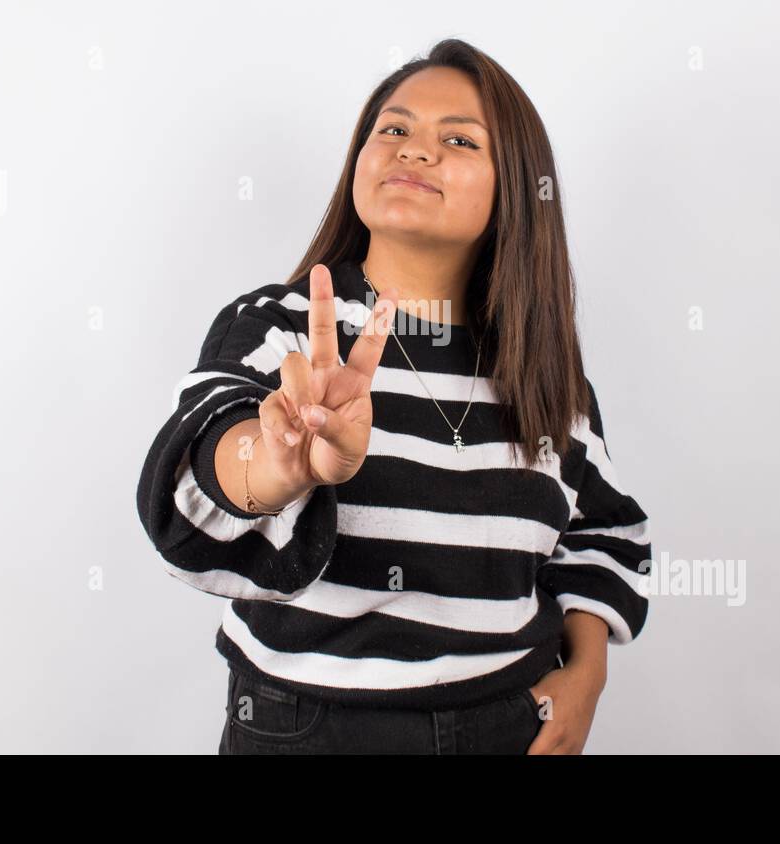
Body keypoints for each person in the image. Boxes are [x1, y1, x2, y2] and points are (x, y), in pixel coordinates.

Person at [135, 38, 652, 754]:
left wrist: (587, 673)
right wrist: (281, 466)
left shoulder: (549, 379)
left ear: (518, 191)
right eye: (395, 129)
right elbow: (200, 474)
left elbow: (601, 534)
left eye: (460, 140)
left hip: (504, 728)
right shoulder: (280, 329)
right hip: (307, 733)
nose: (415, 151)